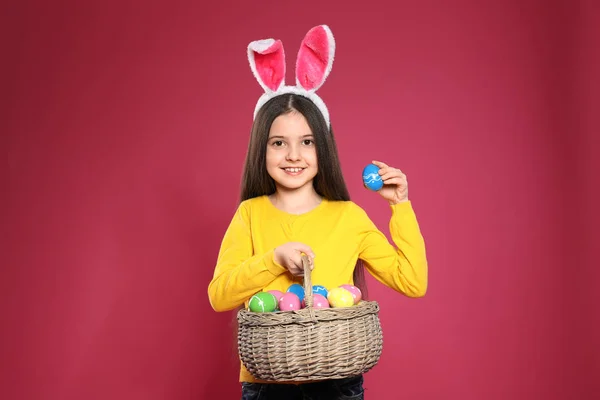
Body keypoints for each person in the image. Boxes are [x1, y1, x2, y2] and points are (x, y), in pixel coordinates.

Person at [207, 25, 428, 400]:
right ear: (262, 149)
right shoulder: (250, 214)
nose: (293, 155)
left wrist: (400, 206)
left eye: (307, 142)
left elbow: (413, 281)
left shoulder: (348, 216)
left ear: (322, 148)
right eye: (279, 143)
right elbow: (219, 295)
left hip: (337, 383)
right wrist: (273, 259)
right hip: (266, 384)